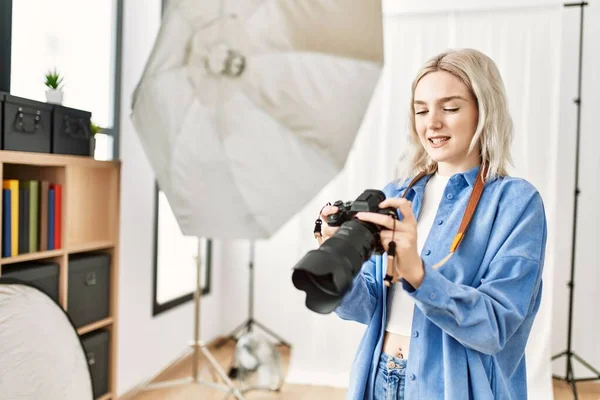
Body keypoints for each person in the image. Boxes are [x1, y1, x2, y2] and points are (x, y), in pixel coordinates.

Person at [318, 48, 547, 399]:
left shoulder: (515, 204)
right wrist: (336, 261)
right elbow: (367, 307)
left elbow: (496, 326)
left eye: (450, 108)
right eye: (421, 110)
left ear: (483, 111)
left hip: (453, 388)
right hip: (378, 377)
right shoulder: (395, 195)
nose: (432, 123)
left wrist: (418, 274)